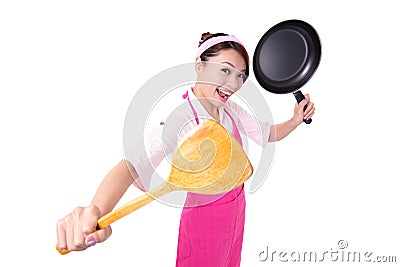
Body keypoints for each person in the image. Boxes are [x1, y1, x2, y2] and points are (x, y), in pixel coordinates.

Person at [56, 32, 315, 266]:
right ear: (200, 66)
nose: (234, 84)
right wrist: (95, 211)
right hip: (204, 226)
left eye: (240, 76)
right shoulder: (180, 119)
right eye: (225, 71)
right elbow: (130, 167)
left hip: (236, 213)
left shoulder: (229, 109)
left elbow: (266, 133)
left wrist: (294, 120)